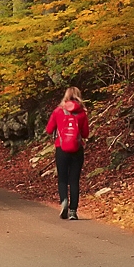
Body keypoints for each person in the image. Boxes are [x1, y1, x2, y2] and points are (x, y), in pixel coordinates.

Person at [46, 86, 91, 219]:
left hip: (61, 148)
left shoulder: (58, 111)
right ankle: (73, 211)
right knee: (74, 180)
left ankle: (64, 200)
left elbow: (49, 130)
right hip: (77, 149)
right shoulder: (82, 113)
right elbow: (86, 134)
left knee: (62, 178)